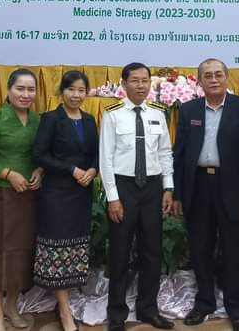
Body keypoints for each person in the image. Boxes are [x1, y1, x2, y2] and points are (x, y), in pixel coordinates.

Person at [172, 58, 239, 331]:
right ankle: (204, 303)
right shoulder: (189, 110)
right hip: (198, 187)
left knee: (235, 251)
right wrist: (178, 194)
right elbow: (180, 155)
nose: (213, 80)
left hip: (234, 189)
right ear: (199, 81)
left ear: (226, 78)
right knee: (200, 249)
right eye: (208, 76)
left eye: (218, 75)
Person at [99, 62, 175, 331]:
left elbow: (165, 152)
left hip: (152, 188)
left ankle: (148, 309)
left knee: (152, 251)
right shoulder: (112, 114)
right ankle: (117, 314)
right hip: (124, 188)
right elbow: (106, 159)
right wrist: (112, 197)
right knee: (120, 252)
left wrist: (168, 187)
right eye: (135, 80)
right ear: (123, 84)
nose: (141, 86)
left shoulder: (158, 113)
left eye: (145, 80)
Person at [0, 68, 44, 331]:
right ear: (8, 90)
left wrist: (40, 171)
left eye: (31, 89)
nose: (26, 94)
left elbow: (42, 154)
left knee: (20, 253)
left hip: (28, 196)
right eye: (20, 88)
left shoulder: (38, 121)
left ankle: (12, 307)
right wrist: (7, 174)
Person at [32, 70, 99, 331]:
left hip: (82, 193)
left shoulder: (90, 120)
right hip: (57, 194)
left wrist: (93, 170)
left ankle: (66, 302)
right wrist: (71, 169)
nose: (76, 95)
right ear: (62, 91)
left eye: (81, 90)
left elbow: (97, 152)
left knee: (74, 248)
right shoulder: (51, 119)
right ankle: (63, 310)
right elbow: (40, 155)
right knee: (58, 249)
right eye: (71, 89)